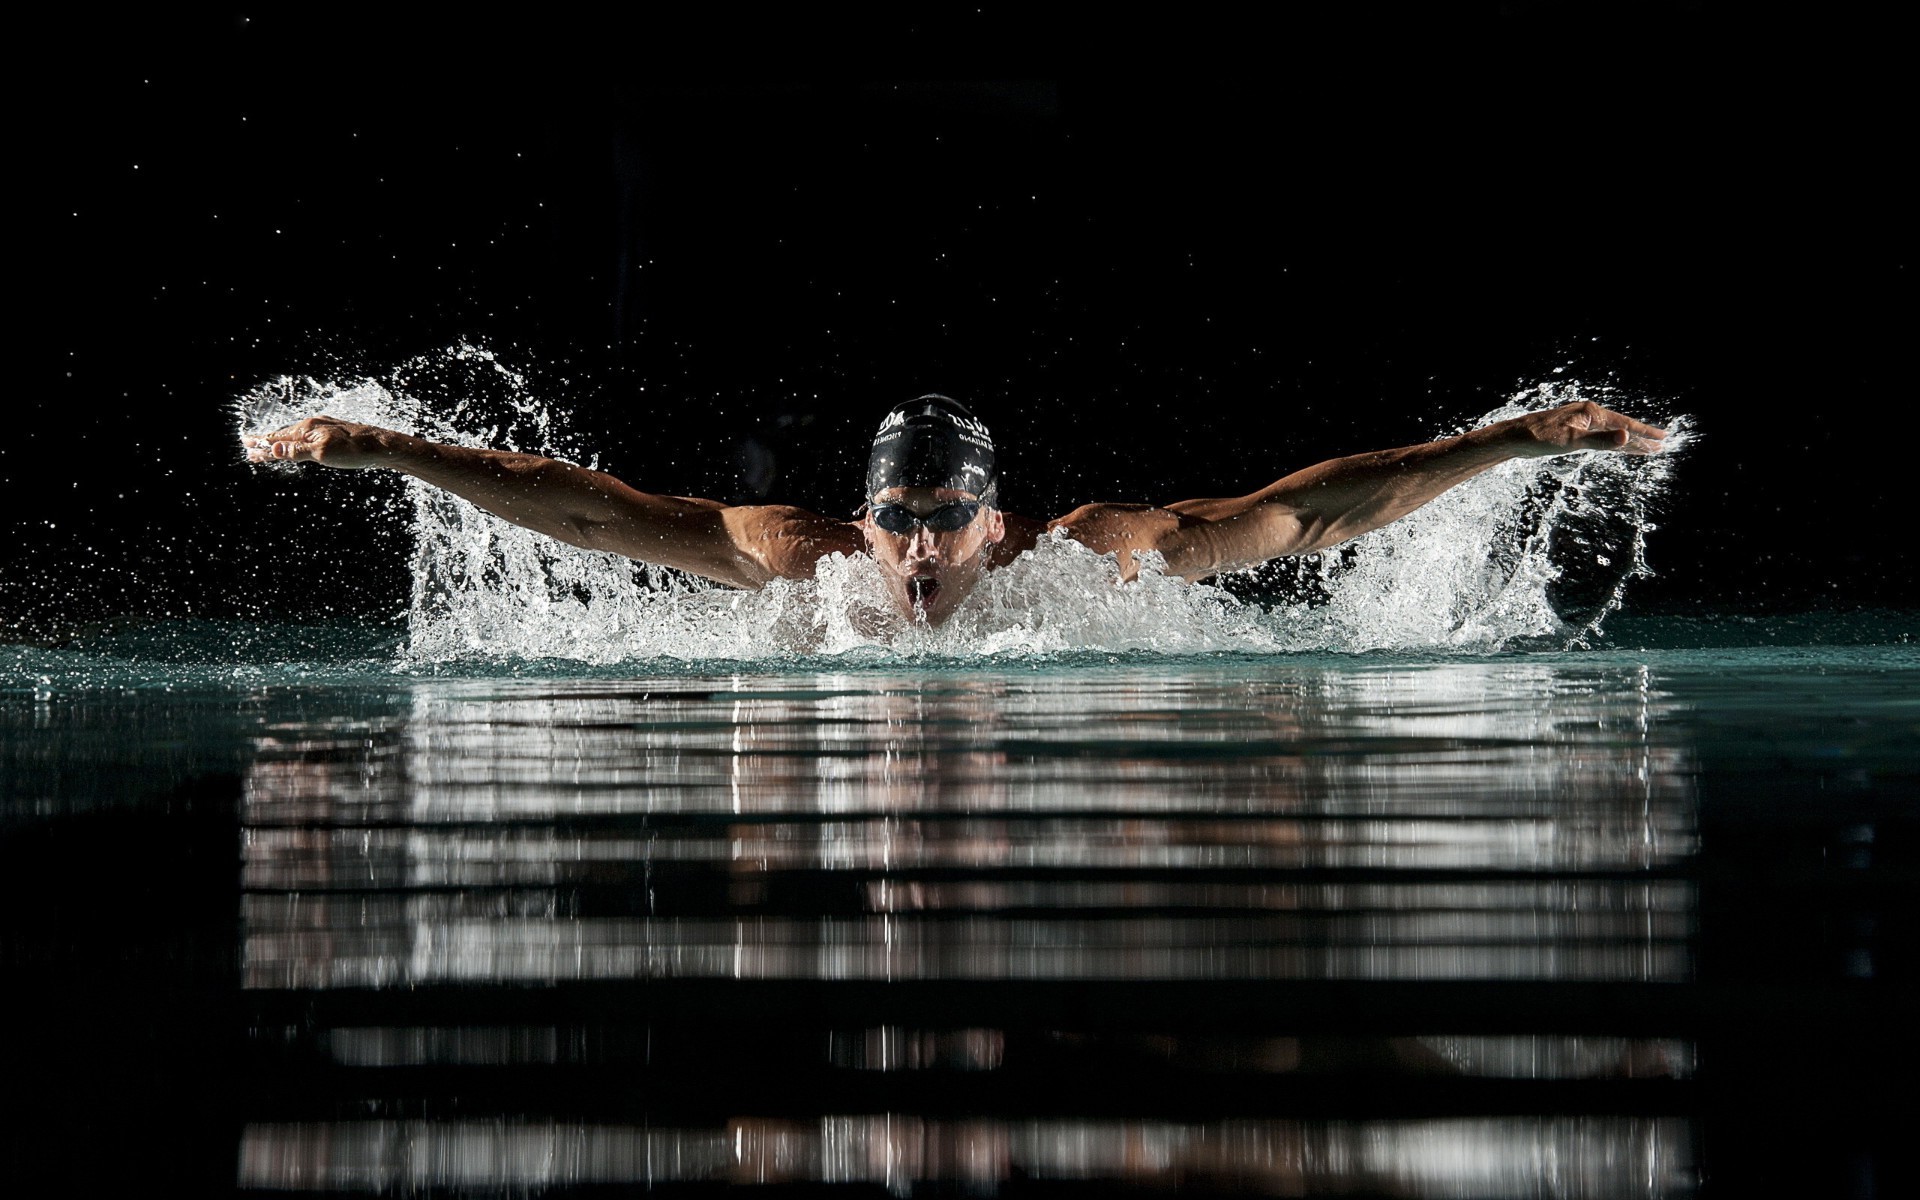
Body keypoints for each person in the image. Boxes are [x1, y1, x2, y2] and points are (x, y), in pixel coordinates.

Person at [242, 394, 1666, 625]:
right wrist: (383, 448)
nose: (918, 551)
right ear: (862, 520)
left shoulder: (1088, 556)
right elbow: (590, 514)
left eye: (945, 521)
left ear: (1001, 523)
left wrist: (1518, 441)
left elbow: (1314, 517)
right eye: (897, 521)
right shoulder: (803, 563)